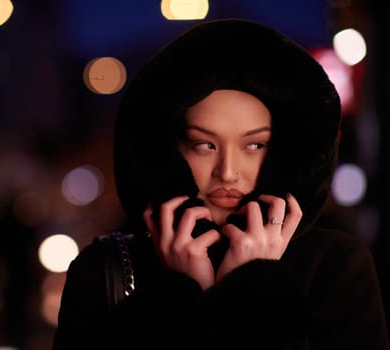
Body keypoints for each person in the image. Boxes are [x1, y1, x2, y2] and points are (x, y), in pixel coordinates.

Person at [52, 18, 390, 349]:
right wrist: (180, 293)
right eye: (204, 145)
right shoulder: (102, 269)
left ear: (283, 155)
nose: (228, 172)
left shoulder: (336, 266)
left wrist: (253, 289)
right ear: (170, 153)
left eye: (254, 146)